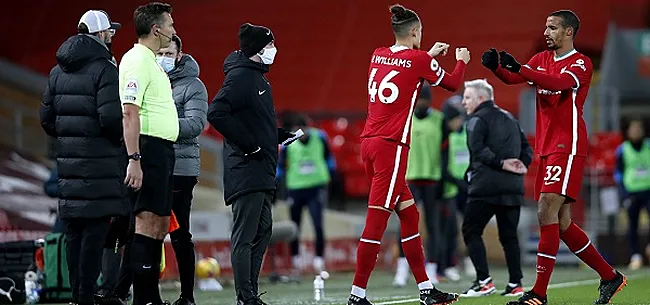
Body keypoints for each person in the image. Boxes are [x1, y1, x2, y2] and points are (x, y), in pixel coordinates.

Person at [483, 10, 627, 305]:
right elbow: (515, 77)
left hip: (569, 144)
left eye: (552, 28)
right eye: (546, 27)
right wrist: (497, 68)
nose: (546, 32)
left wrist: (521, 68)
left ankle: (538, 293)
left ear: (568, 32)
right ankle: (610, 276)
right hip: (547, 146)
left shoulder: (580, 63)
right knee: (560, 223)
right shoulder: (540, 60)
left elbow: (560, 83)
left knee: (545, 209)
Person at [348, 4, 469, 305]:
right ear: (415, 32)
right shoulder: (417, 59)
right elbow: (453, 83)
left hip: (369, 144)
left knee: (410, 215)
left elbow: (402, 69)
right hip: (391, 148)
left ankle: (427, 290)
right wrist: (461, 61)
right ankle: (356, 295)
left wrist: (428, 55)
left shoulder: (378, 53)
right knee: (375, 222)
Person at [39, 9, 127, 305]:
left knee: (74, 232)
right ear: (100, 34)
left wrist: (70, 138)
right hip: (100, 165)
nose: (112, 35)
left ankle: (77, 297)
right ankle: (86, 296)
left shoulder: (56, 70)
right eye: (109, 31)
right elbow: (112, 120)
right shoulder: (105, 68)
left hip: (69, 164)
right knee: (95, 233)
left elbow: (46, 119)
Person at [206, 23, 296, 305]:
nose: (273, 50)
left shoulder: (257, 78)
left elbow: (254, 123)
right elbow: (216, 112)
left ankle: (250, 293)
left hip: (261, 169)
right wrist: (252, 145)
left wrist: (277, 136)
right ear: (258, 49)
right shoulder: (242, 77)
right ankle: (245, 296)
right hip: (248, 169)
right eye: (270, 45)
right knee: (245, 235)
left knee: (262, 230)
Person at [119, 3, 178, 305]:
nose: (173, 31)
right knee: (145, 222)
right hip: (148, 148)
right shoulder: (137, 60)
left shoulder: (151, 61)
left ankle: (151, 297)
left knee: (158, 223)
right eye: (169, 25)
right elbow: (129, 112)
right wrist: (134, 158)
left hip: (161, 149)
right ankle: (142, 299)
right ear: (156, 29)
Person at [458, 79, 531, 298]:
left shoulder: (475, 120)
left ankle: (484, 281)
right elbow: (527, 147)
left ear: (481, 98)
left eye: (468, 97)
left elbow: (478, 150)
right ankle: (516, 284)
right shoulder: (511, 118)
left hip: (486, 186)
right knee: (509, 236)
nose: (463, 102)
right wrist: (522, 164)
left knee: (470, 231)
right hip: (513, 187)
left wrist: (501, 163)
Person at [157, 34, 209, 305]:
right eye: (160, 52)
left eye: (169, 53)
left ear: (179, 55)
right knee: (145, 231)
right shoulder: (150, 81)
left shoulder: (193, 86)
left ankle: (187, 296)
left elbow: (195, 124)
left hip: (180, 168)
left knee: (179, 233)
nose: (164, 57)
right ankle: (137, 293)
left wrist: (158, 125)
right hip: (153, 165)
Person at [392, 84, 449, 287]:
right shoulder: (405, 118)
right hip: (409, 179)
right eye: (419, 100)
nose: (422, 104)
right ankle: (402, 270)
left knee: (433, 226)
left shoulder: (439, 120)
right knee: (406, 225)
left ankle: (432, 269)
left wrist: (443, 177)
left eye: (425, 100)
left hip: (432, 180)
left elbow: (445, 152)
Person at [276, 114, 336, 274]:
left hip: (316, 187)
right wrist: (276, 184)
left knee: (318, 225)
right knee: (295, 226)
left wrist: (332, 175)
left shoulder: (320, 137)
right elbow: (281, 167)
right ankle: (296, 261)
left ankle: (319, 261)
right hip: (295, 189)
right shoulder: (289, 142)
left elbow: (329, 158)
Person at [614, 118, 650, 270]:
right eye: (633, 129)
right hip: (631, 192)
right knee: (632, 225)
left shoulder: (648, 146)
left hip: (648, 191)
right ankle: (635, 256)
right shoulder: (623, 149)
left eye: (639, 129)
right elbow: (618, 173)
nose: (636, 132)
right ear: (628, 132)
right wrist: (624, 193)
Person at [439, 97, 469, 282]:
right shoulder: (444, 135)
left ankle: (468, 260)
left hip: (464, 185)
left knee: (468, 227)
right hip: (449, 187)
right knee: (446, 229)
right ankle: (447, 264)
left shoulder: (468, 131)